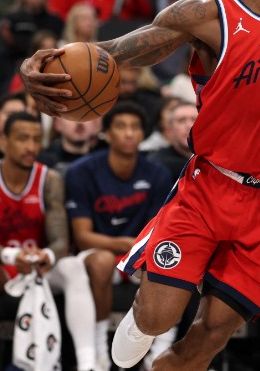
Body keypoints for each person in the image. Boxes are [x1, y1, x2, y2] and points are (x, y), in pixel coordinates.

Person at [20, 0, 260, 370]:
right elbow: (111, 54)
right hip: (211, 188)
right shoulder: (205, 16)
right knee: (156, 319)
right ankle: (138, 324)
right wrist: (40, 61)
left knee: (212, 335)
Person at [0, 112, 98, 371]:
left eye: (37, 139)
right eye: (23, 139)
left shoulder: (50, 180)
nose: (31, 147)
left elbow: (61, 240)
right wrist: (13, 257)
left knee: (72, 266)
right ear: (3, 141)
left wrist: (47, 254)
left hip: (37, 265)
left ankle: (88, 364)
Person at [64, 101, 173, 369]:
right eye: (121, 127)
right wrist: (124, 244)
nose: (128, 133)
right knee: (100, 260)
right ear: (106, 133)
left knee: (169, 261)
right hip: (101, 257)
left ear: (143, 134)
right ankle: (99, 352)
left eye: (135, 127)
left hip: (140, 257)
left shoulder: (157, 174)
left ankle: (159, 352)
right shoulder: (81, 171)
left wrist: (135, 250)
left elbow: (159, 231)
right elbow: (82, 236)